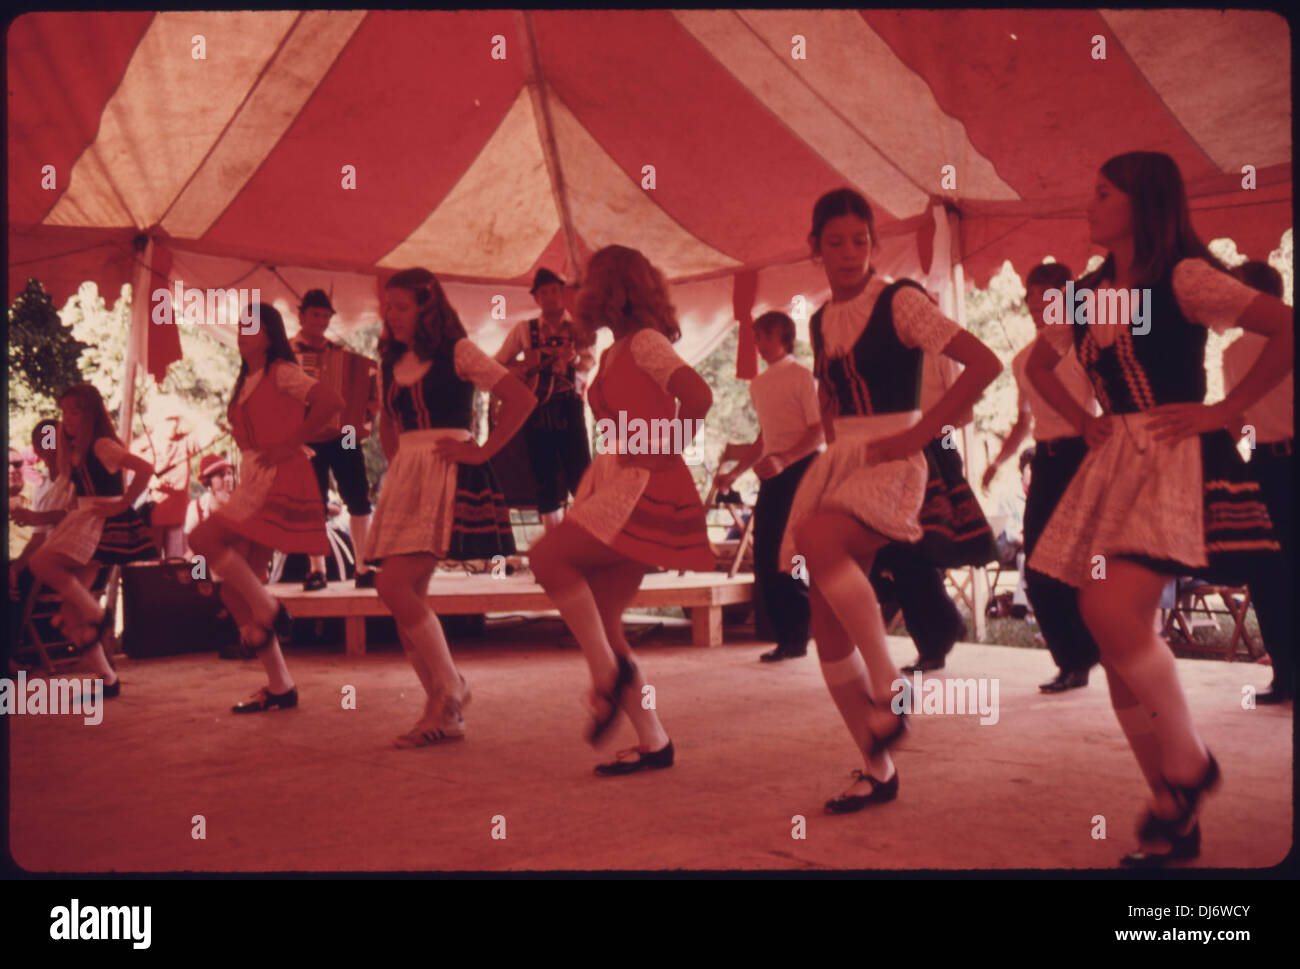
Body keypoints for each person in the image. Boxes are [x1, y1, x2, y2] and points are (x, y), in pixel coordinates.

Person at [1026, 152, 1291, 867]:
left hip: (1176, 458)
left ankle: (1190, 765)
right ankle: (1174, 809)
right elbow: (1035, 366)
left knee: (1107, 614)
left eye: (1102, 192)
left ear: (1141, 204)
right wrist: (1084, 424)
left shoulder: (1183, 276)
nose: (1090, 204)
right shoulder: (1086, 293)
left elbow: (1287, 327)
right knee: (1118, 650)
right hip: (1116, 461)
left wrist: (1226, 409)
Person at [781, 188, 1001, 814]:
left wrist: (919, 434)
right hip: (843, 458)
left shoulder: (901, 301)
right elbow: (831, 396)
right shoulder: (821, 318)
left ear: (874, 244)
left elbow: (984, 364)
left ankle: (890, 685)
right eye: (835, 242)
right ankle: (876, 769)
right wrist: (829, 446)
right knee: (825, 625)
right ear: (814, 248)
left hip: (897, 456)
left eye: (860, 240)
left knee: (816, 541)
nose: (849, 253)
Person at [528, 245, 715, 775]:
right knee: (605, 622)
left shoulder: (646, 343)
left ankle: (607, 676)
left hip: (643, 485)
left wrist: (663, 447)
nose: (579, 293)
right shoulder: (611, 352)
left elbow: (699, 397)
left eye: (588, 284)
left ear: (612, 289)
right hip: (615, 482)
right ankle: (654, 740)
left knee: (547, 559)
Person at [365, 268, 534, 747]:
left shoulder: (458, 351)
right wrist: (400, 467)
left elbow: (520, 397)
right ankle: (443, 713)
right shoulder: (389, 359)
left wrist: (482, 450)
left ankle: (451, 689)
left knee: (391, 584)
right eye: (388, 307)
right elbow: (388, 426)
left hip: (448, 470)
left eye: (400, 306)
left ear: (426, 306)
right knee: (404, 601)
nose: (391, 316)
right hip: (409, 478)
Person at [188, 303, 343, 712]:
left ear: (270, 334)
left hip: (279, 474)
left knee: (201, 537)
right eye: (240, 326)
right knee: (237, 592)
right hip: (257, 475)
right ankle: (280, 685)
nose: (242, 332)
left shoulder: (281, 372)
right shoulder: (248, 379)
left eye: (250, 326)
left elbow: (331, 401)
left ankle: (270, 609)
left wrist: (292, 442)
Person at [984, 261, 1102, 693]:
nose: (1040, 314)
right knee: (1036, 564)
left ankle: (1092, 652)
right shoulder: (1024, 360)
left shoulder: (1086, 343)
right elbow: (1022, 422)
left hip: (1085, 454)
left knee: (1084, 562)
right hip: (1047, 459)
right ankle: (1072, 659)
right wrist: (997, 462)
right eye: (1032, 307)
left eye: (1046, 304)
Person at [29, 385, 160, 697]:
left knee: (40, 561)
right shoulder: (76, 448)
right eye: (64, 412)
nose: (68, 418)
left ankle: (98, 615)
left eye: (75, 411)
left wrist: (124, 502)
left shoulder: (102, 445)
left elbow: (145, 468)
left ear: (90, 413)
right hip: (85, 518)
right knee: (71, 617)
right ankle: (107, 679)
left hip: (99, 520)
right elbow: (61, 475)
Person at [714, 310, 823, 662]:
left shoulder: (803, 376)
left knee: (788, 553)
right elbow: (764, 438)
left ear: (784, 339)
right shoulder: (759, 384)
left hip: (803, 468)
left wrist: (786, 459)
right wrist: (734, 473)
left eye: (764, 336)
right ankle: (782, 635)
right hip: (773, 471)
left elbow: (819, 430)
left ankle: (799, 635)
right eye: (756, 336)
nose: (758, 343)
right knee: (764, 553)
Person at [1222, 261, 1293, 703]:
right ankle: (1285, 674)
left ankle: (1286, 674)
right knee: (1269, 573)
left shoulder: (1236, 352)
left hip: (1265, 464)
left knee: (1269, 573)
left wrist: (1248, 450)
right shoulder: (1235, 351)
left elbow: (1235, 421)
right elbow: (1235, 417)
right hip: (1268, 461)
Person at [289, 289, 380, 590]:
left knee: (358, 497)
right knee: (311, 503)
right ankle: (317, 570)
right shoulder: (285, 354)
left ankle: (363, 566)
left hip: (344, 434)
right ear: (301, 316)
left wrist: (367, 412)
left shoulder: (341, 355)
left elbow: (365, 390)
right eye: (315, 314)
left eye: (326, 316)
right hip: (305, 437)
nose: (321, 321)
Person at [493, 268, 596, 531]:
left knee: (580, 474)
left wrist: (571, 358)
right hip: (535, 410)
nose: (549, 296)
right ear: (536, 298)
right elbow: (498, 364)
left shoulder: (580, 329)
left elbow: (589, 362)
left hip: (569, 408)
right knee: (544, 476)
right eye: (543, 292)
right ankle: (555, 544)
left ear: (561, 294)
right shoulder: (524, 330)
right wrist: (521, 371)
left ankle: (587, 538)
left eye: (554, 290)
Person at [132, 396, 198, 559]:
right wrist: (146, 480)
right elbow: (127, 466)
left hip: (177, 516)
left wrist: (188, 413)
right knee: (149, 565)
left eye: (176, 419)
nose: (174, 423)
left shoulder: (184, 441)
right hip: (150, 516)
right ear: (156, 421)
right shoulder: (143, 444)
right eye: (168, 419)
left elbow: (212, 433)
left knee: (177, 565)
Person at [183, 453, 238, 548]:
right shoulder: (197, 509)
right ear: (208, 481)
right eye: (221, 475)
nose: (228, 479)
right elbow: (190, 549)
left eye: (229, 473)